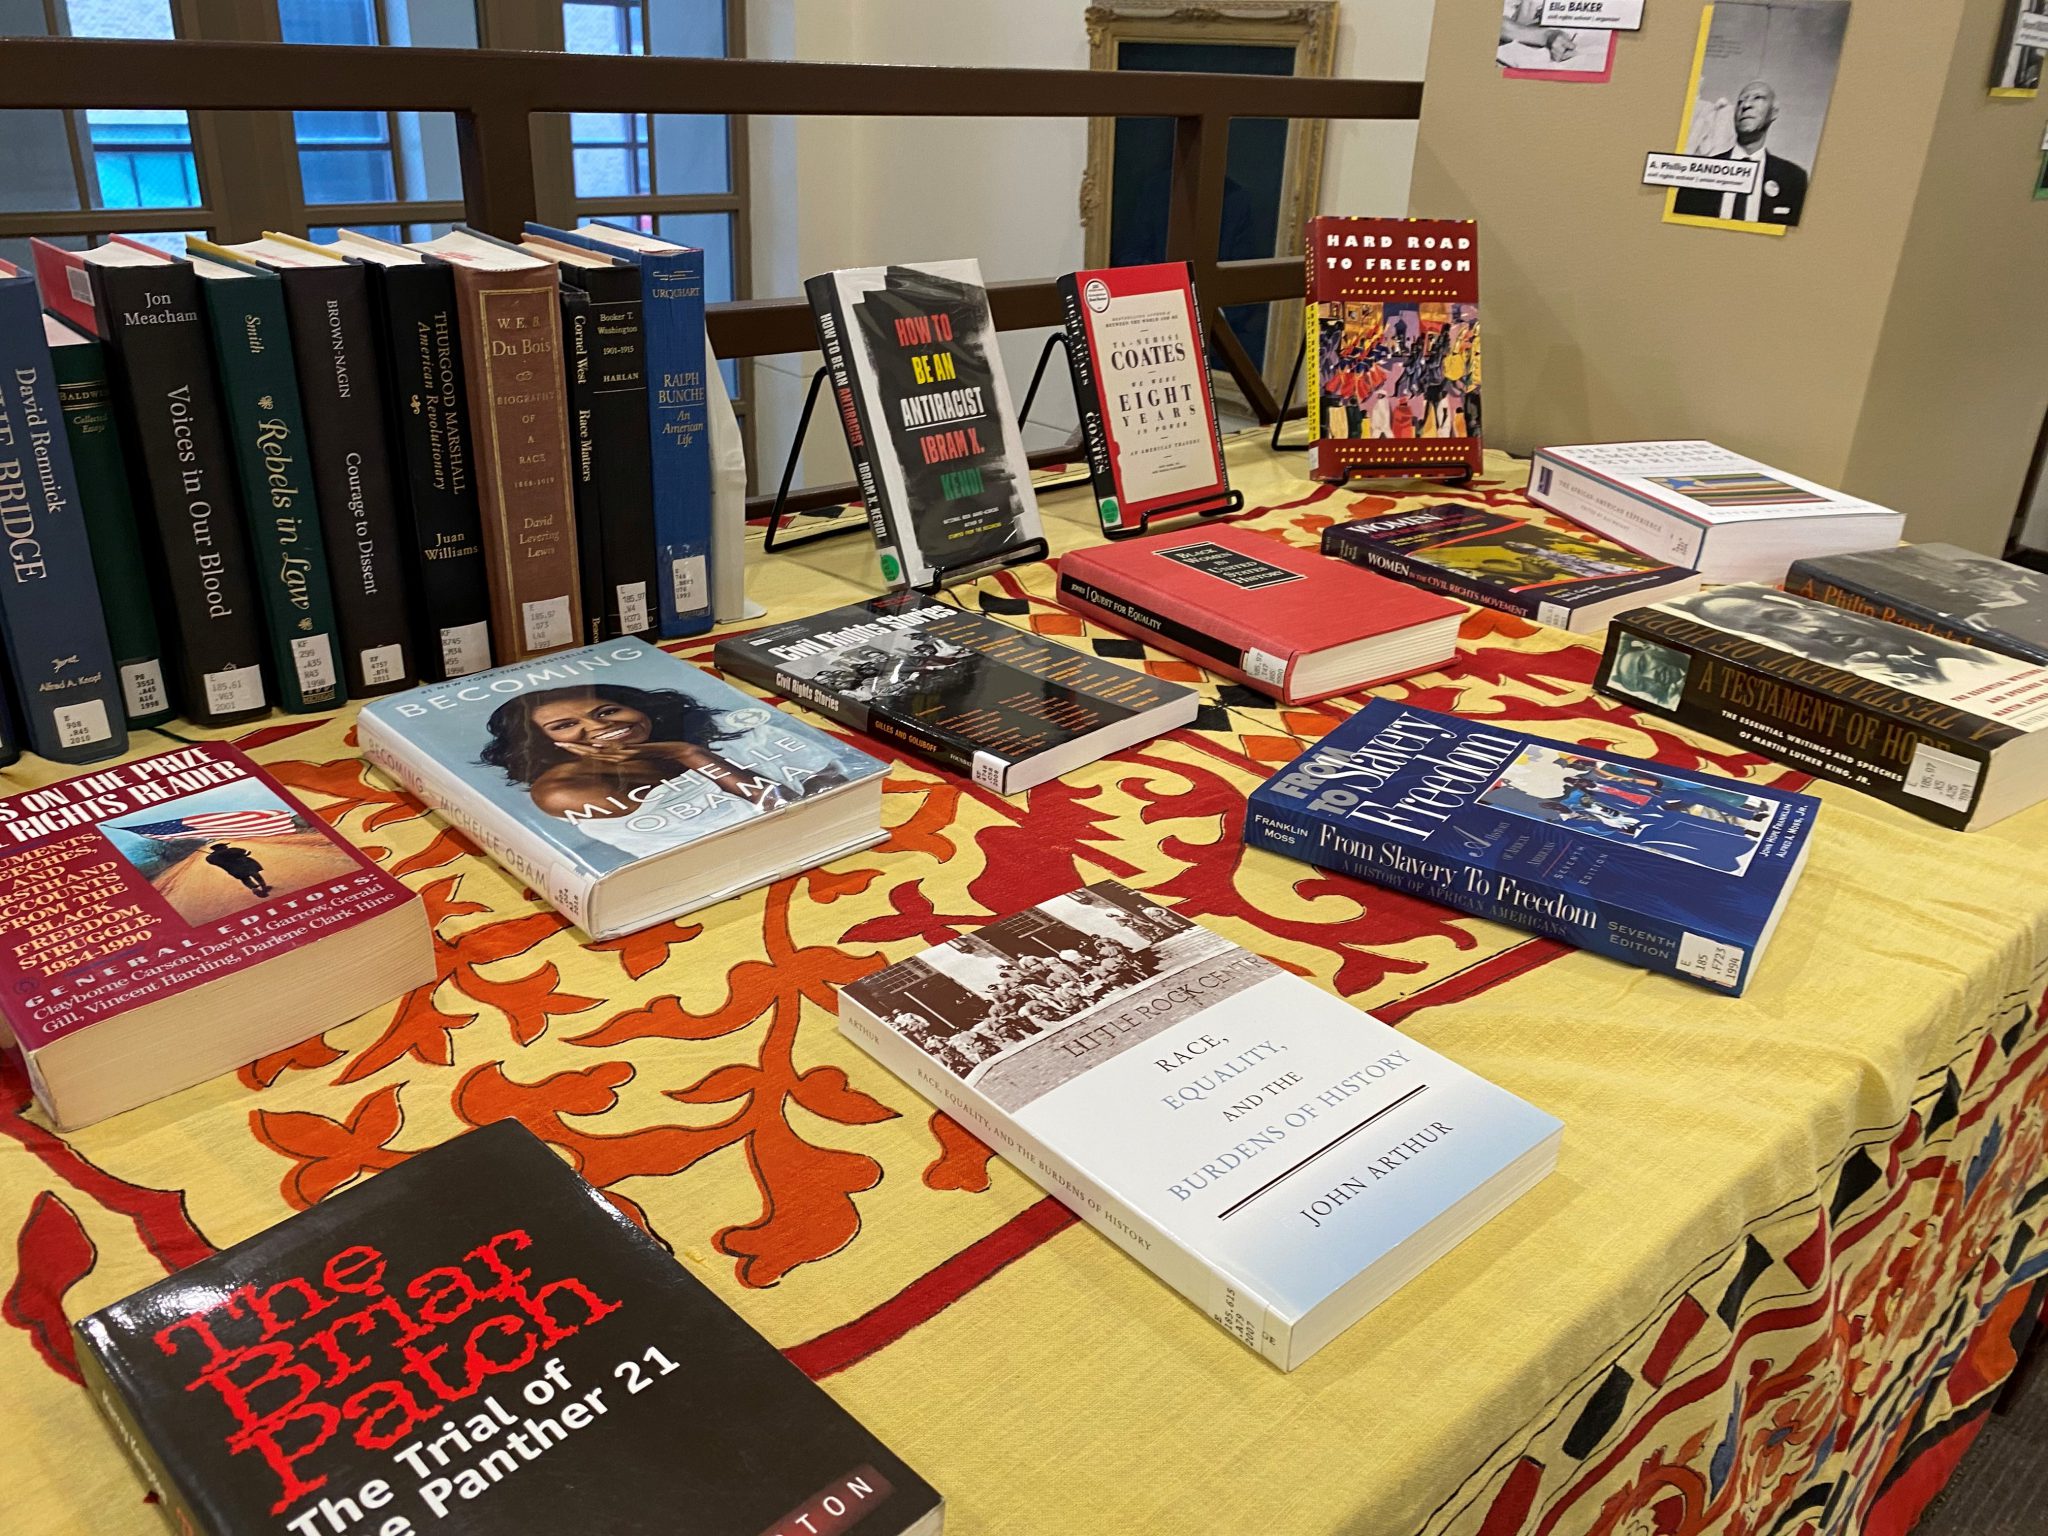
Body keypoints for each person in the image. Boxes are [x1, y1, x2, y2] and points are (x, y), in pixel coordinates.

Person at [480, 683, 848, 858]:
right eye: (563, 726)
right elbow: (777, 814)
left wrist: (686, 749)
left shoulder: (722, 732)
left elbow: (832, 797)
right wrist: (688, 754)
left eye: (606, 712)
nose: (595, 728)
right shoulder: (565, 790)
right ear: (543, 743)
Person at [1672, 80, 1809, 226]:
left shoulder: (1794, 179)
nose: (1746, 105)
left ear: (1773, 112)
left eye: (1758, 98)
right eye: (1741, 101)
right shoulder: (1699, 174)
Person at [205, 842, 271, 897]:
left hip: (233, 870)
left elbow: (209, 860)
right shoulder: (232, 850)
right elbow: (244, 851)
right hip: (246, 865)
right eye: (225, 846)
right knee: (256, 875)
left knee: (245, 879)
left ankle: (254, 888)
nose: (226, 847)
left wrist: (215, 854)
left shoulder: (212, 857)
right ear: (222, 847)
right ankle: (264, 887)